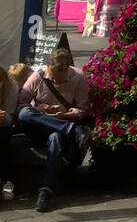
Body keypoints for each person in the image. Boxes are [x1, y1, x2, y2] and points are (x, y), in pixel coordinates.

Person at [17, 49, 92, 212]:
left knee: (56, 138)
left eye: (54, 78)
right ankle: (73, 130)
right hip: (39, 125)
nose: (51, 79)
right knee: (24, 113)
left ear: (65, 70)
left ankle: (47, 190)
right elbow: (21, 105)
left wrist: (67, 114)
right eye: (49, 76)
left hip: (61, 124)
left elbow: (83, 109)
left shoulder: (78, 78)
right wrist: (37, 107)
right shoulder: (38, 76)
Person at [0, 65, 19, 203]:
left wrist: (4, 116)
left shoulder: (11, 87)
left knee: (3, 139)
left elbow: (9, 118)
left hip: (4, 126)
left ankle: (6, 181)